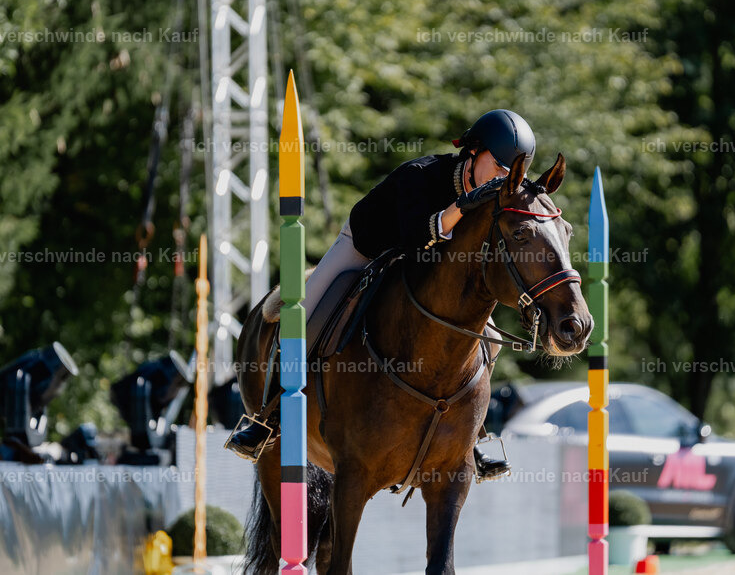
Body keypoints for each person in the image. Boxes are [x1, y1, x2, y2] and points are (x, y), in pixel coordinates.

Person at [226, 109, 536, 480]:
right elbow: (415, 237)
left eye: (510, 173)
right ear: (473, 152)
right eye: (499, 168)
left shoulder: (488, 202)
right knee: (303, 313)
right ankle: (267, 417)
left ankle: (473, 436)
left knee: (493, 339)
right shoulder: (421, 176)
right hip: (366, 247)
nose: (503, 179)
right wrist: (459, 208)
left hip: (419, 272)